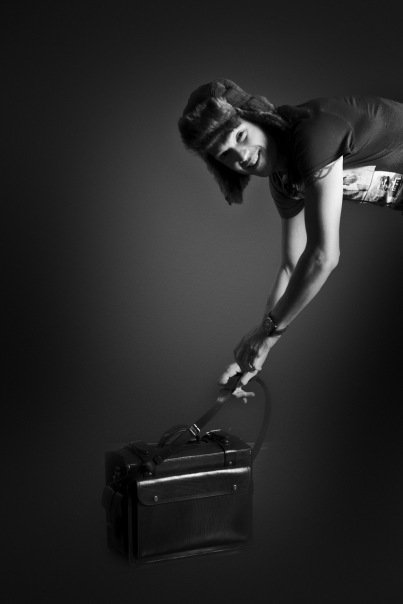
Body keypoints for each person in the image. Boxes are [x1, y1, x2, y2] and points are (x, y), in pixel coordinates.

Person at [178, 79, 403, 401]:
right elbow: (291, 264)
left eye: (240, 136)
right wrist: (255, 352)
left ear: (258, 119)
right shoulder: (285, 181)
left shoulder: (313, 132)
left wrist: (267, 335)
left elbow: (323, 256)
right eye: (225, 155)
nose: (241, 155)